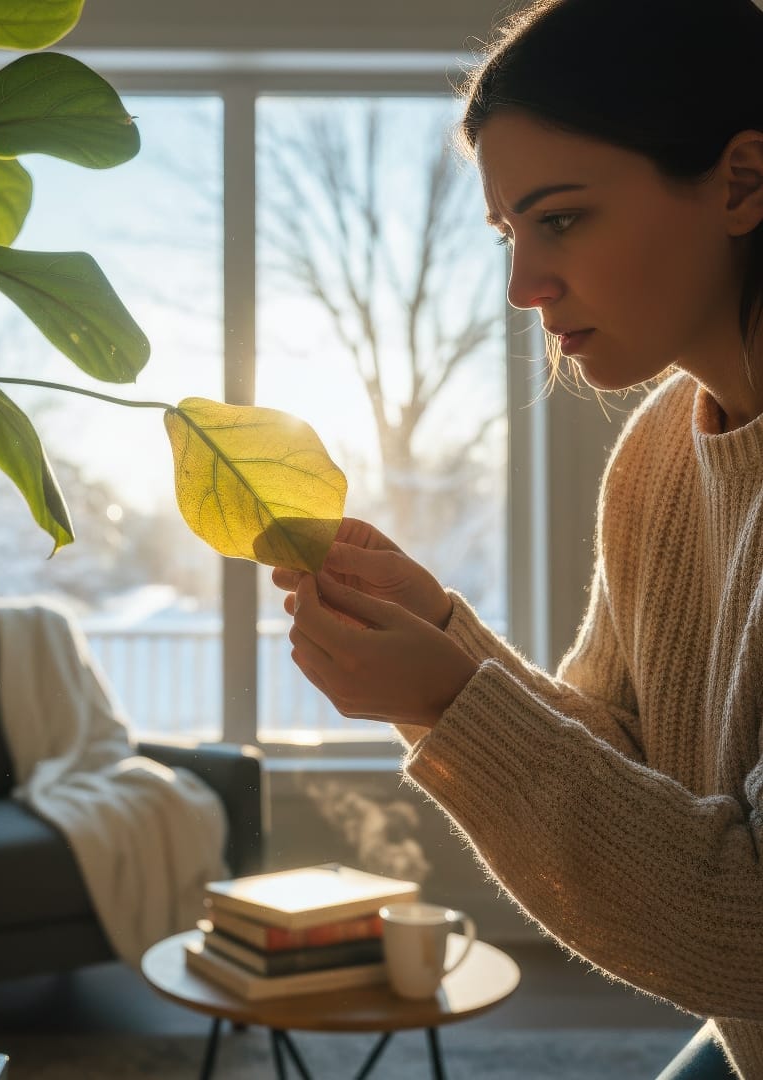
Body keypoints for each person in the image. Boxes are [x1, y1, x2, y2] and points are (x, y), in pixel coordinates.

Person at [272, 1, 763, 1077]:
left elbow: (745, 922)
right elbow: (629, 758)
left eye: (564, 219)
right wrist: (442, 637)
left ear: (741, 182)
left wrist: (449, 699)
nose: (522, 287)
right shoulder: (656, 458)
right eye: (510, 234)